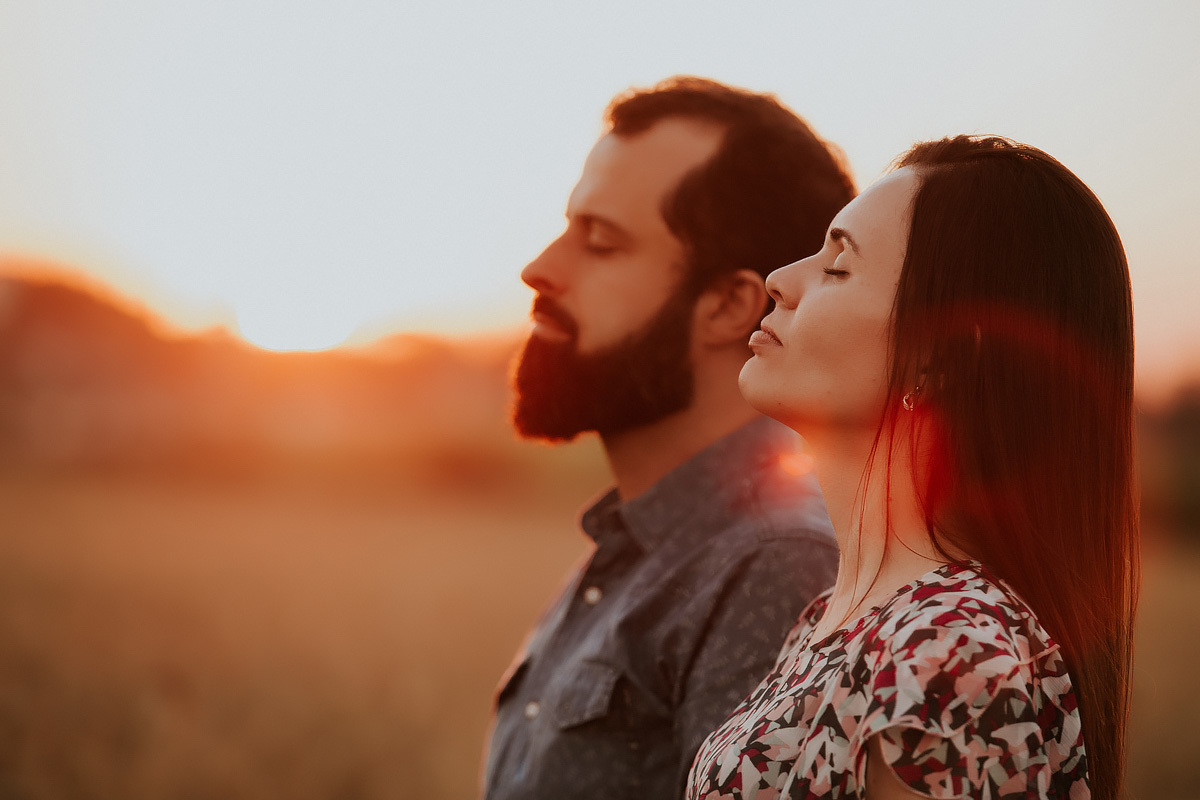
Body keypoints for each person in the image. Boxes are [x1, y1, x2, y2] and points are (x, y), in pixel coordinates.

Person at [687, 136, 1138, 799]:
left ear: (939, 358)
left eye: (838, 267)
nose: (779, 279)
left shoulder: (946, 652)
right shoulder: (839, 620)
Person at [481, 77, 855, 800]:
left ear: (726, 306)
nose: (540, 269)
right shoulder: (640, 540)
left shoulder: (771, 567)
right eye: (568, 228)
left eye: (602, 242)